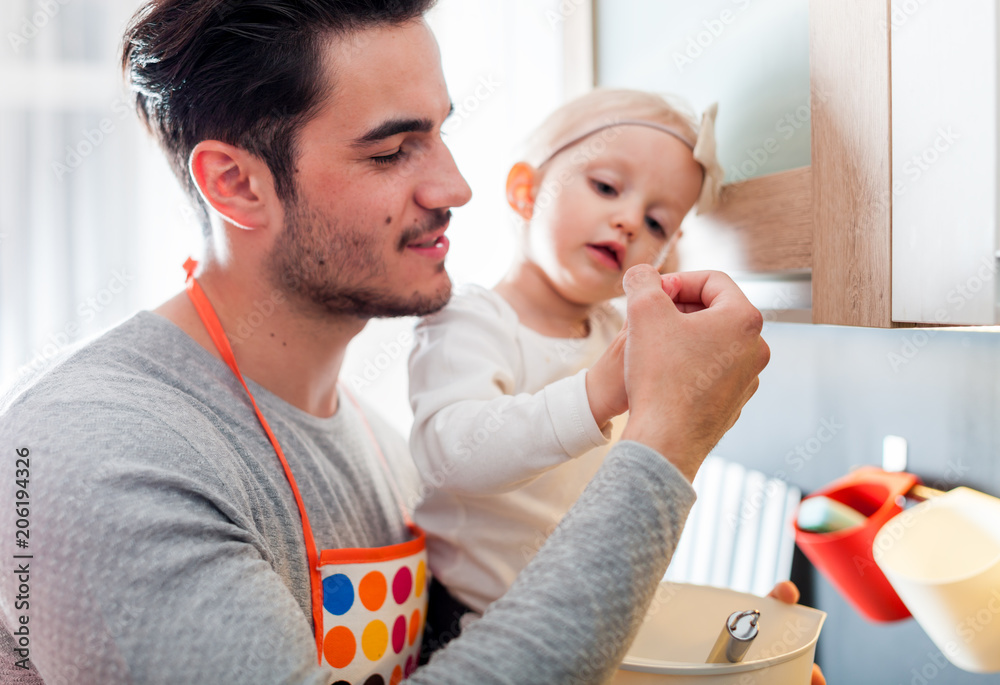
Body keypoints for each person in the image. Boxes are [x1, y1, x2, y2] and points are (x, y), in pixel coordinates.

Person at [0, 1, 820, 684]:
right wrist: (665, 442)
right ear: (236, 183)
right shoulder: (91, 453)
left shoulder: (382, 446)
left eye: (440, 133)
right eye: (394, 149)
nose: (455, 186)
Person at [408, 88, 724, 642]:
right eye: (605, 187)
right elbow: (450, 454)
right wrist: (595, 392)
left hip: (573, 621)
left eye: (656, 222)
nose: (628, 220)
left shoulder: (617, 335)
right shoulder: (471, 317)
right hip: (464, 624)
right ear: (526, 192)